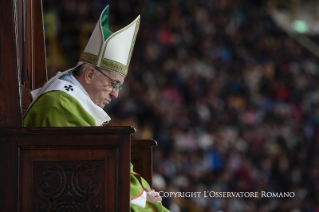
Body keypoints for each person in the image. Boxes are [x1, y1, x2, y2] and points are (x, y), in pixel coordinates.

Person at [24, 5, 170, 212]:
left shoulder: (72, 104)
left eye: (119, 86)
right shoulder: (62, 106)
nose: (116, 93)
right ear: (90, 75)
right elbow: (96, 171)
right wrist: (141, 195)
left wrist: (143, 192)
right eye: (113, 83)